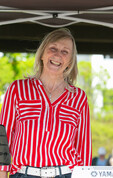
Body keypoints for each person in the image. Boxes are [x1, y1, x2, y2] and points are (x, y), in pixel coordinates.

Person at [0, 28, 92, 177]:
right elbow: (3, 139)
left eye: (65, 52)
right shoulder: (17, 89)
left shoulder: (79, 97)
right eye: (53, 48)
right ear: (42, 54)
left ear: (70, 61)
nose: (57, 55)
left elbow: (84, 147)